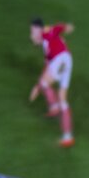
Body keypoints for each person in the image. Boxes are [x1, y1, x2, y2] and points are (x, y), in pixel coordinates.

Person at [29, 18, 76, 147]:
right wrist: (38, 86)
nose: (31, 35)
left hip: (61, 60)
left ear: (38, 29)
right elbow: (47, 66)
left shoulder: (45, 32)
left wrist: (66, 27)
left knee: (44, 83)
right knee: (61, 98)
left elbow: (56, 28)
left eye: (32, 31)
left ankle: (55, 107)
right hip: (66, 60)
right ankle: (67, 137)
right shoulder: (46, 45)